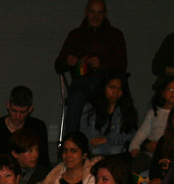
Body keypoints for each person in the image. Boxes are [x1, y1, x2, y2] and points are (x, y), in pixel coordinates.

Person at [54, 0, 128, 134]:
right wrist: (68, 61)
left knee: (108, 93)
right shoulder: (75, 35)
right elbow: (58, 66)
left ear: (105, 14)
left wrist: (102, 64)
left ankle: (110, 139)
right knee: (75, 94)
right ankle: (71, 140)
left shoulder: (115, 35)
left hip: (106, 81)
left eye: (100, 13)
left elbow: (122, 65)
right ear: (86, 12)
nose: (95, 17)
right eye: (92, 12)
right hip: (81, 81)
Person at [0, 86, 51, 174]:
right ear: (8, 105)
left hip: (31, 177)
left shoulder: (37, 128)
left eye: (22, 112)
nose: (17, 116)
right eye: (14, 111)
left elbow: (43, 162)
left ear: (30, 109)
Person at [129, 76, 174, 172]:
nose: (173, 92)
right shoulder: (154, 112)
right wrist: (134, 146)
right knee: (134, 169)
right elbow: (143, 131)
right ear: (163, 93)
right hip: (151, 151)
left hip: (172, 154)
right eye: (170, 89)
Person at [80, 70, 138, 157]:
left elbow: (132, 135)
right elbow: (84, 134)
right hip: (95, 155)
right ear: (104, 87)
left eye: (119, 89)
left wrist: (108, 139)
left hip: (118, 156)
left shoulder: (126, 109)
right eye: (112, 88)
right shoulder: (90, 108)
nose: (115, 92)